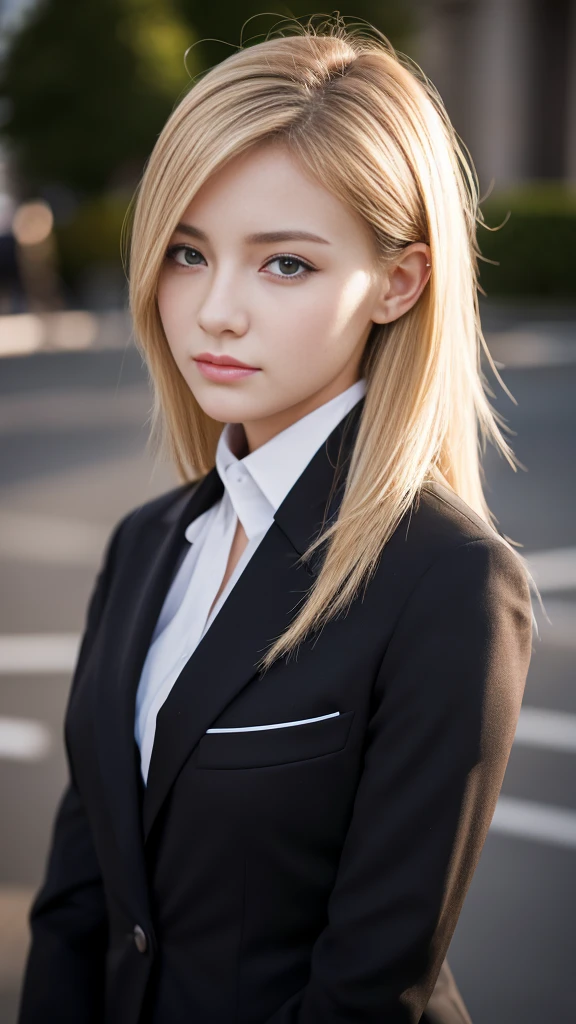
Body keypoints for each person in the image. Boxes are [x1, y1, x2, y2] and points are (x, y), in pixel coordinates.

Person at [18, 16, 536, 1024]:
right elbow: (78, 904)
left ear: (398, 282)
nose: (214, 310)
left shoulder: (449, 582)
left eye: (284, 263)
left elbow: (371, 986)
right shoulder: (144, 545)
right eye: (186, 251)